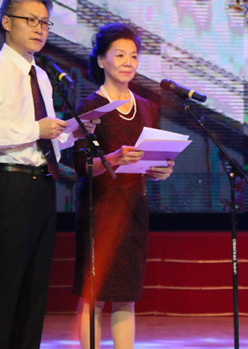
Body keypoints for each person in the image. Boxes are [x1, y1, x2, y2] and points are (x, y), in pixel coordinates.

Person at [0, 0, 97, 349]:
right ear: (7, 22)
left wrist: (71, 132)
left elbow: (43, 140)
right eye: (30, 20)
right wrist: (36, 129)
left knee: (35, 291)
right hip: (9, 187)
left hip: (42, 186)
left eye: (45, 23)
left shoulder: (42, 76)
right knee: (5, 288)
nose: (39, 29)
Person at [72, 22, 174, 349]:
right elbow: (81, 165)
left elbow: (150, 161)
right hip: (100, 211)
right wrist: (114, 158)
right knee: (95, 296)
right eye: (119, 55)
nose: (128, 62)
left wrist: (160, 169)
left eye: (133, 55)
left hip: (134, 209)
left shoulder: (147, 107)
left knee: (126, 296)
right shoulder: (90, 107)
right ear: (101, 60)